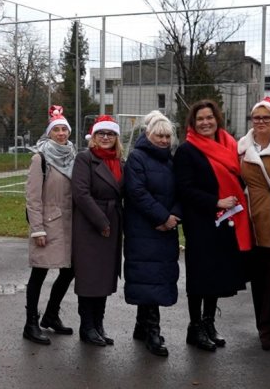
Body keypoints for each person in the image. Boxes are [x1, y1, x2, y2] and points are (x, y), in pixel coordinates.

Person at [173, 100, 251, 352]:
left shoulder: (230, 146)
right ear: (192, 124)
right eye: (200, 119)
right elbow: (184, 189)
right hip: (201, 222)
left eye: (209, 117)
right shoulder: (187, 150)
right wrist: (215, 201)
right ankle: (194, 327)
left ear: (217, 119)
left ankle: (208, 323)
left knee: (215, 275)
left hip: (225, 220)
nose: (205, 122)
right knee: (200, 276)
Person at [123, 111, 181, 357]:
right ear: (149, 134)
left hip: (165, 229)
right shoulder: (137, 158)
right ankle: (153, 332)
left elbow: (181, 191)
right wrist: (162, 217)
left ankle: (141, 325)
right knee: (148, 279)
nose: (164, 140)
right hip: (143, 230)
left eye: (167, 135)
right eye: (159, 135)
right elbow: (136, 192)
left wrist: (174, 217)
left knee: (156, 277)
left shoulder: (171, 160)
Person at [23, 105, 77, 345]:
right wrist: (37, 228)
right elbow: (33, 198)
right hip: (48, 224)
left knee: (70, 270)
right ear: (49, 133)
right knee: (39, 273)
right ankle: (31, 324)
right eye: (56, 129)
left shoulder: (73, 156)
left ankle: (51, 315)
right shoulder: (40, 158)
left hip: (70, 225)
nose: (61, 133)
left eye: (64, 129)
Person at [238, 97, 270, 351]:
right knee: (258, 278)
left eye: (265, 118)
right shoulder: (242, 147)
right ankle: (263, 325)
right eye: (256, 118)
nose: (260, 122)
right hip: (250, 219)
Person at [71, 115, 124, 347]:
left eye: (110, 134)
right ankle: (87, 326)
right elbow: (81, 193)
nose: (105, 137)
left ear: (116, 138)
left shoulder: (119, 161)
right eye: (101, 134)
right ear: (93, 137)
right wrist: (101, 222)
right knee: (89, 276)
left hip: (113, 221)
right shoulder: (85, 159)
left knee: (104, 276)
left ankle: (99, 324)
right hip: (90, 224)